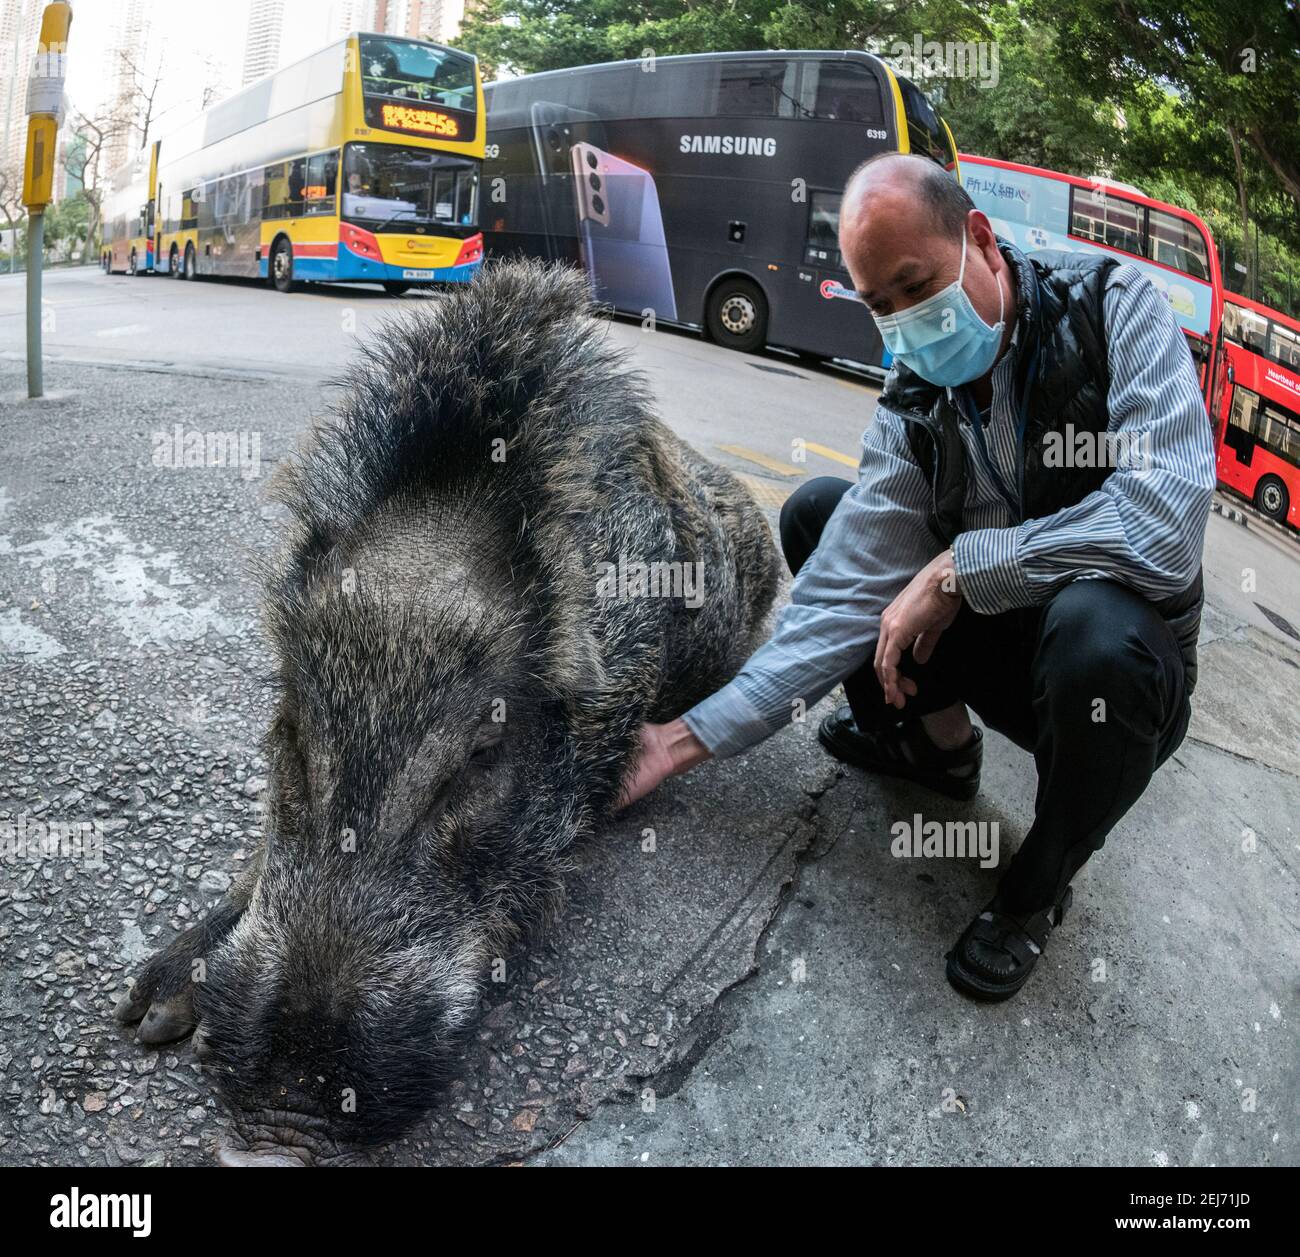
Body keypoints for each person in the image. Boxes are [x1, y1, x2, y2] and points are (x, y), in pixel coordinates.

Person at [620, 152, 1215, 1001]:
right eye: (881, 307)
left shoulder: (1115, 307)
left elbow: (1164, 520)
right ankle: (941, 755)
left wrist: (963, 569)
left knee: (1095, 635)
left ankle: (1035, 890)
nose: (908, 324)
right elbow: (838, 593)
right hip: (1000, 642)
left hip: (1108, 678)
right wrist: (677, 741)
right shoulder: (916, 390)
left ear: (979, 238)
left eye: (917, 285)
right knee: (821, 513)